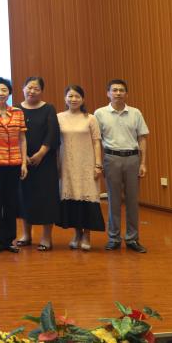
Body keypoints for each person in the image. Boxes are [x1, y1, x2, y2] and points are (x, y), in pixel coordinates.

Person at [94, 79, 149, 253]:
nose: (118, 93)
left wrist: (143, 163)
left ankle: (132, 239)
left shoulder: (135, 113)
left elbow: (142, 138)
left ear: (126, 94)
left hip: (132, 159)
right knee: (114, 200)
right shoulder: (100, 113)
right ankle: (114, 238)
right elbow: (96, 140)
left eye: (121, 90)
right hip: (111, 159)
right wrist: (98, 163)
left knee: (132, 201)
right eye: (114, 90)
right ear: (108, 93)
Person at [56, 85, 105, 250]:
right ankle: (77, 233)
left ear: (82, 99)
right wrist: (56, 165)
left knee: (87, 198)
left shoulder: (90, 118)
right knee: (73, 198)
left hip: (86, 165)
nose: (73, 99)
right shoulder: (59, 118)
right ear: (65, 98)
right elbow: (56, 143)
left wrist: (98, 165)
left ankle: (87, 235)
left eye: (77, 96)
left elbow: (97, 142)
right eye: (70, 96)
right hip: (67, 165)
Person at [0, 77, 27, 254]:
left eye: (4, 90)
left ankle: (9, 240)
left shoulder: (18, 112)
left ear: (9, 92)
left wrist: (24, 163)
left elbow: (22, 139)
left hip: (14, 163)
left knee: (11, 203)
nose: (0, 93)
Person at [17, 76, 60, 250]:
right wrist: (24, 157)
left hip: (45, 161)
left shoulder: (48, 109)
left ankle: (46, 237)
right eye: (29, 87)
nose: (32, 91)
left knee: (46, 198)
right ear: (23, 89)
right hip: (23, 162)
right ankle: (26, 234)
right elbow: (14, 135)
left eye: (36, 88)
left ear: (41, 91)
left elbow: (52, 133)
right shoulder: (16, 110)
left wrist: (41, 153)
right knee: (25, 196)